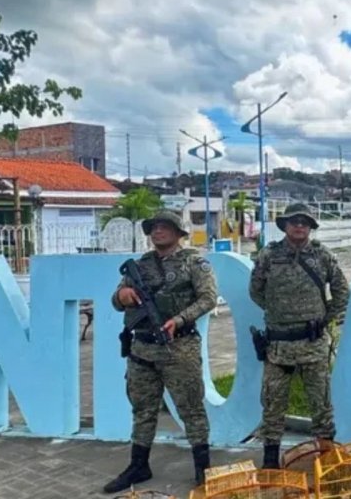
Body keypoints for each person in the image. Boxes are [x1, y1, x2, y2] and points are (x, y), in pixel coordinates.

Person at [104, 210, 218, 493]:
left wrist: (179, 319)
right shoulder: (139, 266)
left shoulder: (194, 262)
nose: (158, 231)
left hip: (179, 347)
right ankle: (138, 465)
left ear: (178, 233)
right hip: (142, 349)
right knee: (142, 408)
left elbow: (208, 298)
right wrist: (122, 296)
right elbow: (116, 301)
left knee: (191, 408)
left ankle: (203, 468)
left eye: (165, 227)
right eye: (154, 227)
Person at [249, 203, 351, 469]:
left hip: (312, 345)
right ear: (285, 225)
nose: (299, 226)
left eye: (304, 222)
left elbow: (342, 293)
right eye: (294, 221)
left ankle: (327, 462)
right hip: (278, 346)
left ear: (310, 227)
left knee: (321, 405)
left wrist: (323, 319)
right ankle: (270, 461)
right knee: (272, 405)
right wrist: (278, 311)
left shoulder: (322, 256)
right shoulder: (268, 256)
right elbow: (255, 291)